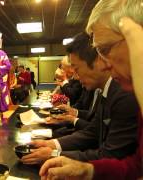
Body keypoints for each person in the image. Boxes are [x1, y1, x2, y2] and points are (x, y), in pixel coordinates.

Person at [39, 0, 143, 179]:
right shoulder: (122, 88)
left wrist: (55, 152)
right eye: (99, 52)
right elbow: (137, 165)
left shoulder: (127, 94)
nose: (104, 63)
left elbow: (113, 154)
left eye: (105, 50)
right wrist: (87, 170)